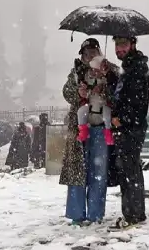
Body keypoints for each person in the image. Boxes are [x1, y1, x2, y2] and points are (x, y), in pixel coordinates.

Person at [61, 38, 110, 226]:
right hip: (79, 129)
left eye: (93, 52)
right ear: (82, 55)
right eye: (86, 53)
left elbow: (117, 92)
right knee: (77, 173)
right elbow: (66, 92)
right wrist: (78, 92)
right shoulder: (75, 73)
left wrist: (105, 88)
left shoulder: (108, 70)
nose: (90, 56)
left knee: (99, 173)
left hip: (100, 128)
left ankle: (96, 214)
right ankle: (76, 214)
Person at [110, 35, 149, 230]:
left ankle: (132, 215)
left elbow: (136, 101)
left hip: (131, 127)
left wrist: (121, 119)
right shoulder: (129, 66)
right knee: (130, 170)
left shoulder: (136, 68)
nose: (120, 49)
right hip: (128, 127)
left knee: (129, 172)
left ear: (133, 44)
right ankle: (135, 213)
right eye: (117, 45)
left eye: (124, 45)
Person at [76, 55, 117, 147]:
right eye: (92, 70)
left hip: (103, 107)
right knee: (81, 111)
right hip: (91, 109)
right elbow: (84, 94)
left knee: (107, 114)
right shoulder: (88, 80)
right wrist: (84, 91)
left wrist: (103, 90)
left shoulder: (107, 80)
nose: (94, 72)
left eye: (97, 70)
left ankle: (108, 131)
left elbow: (112, 92)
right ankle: (83, 131)